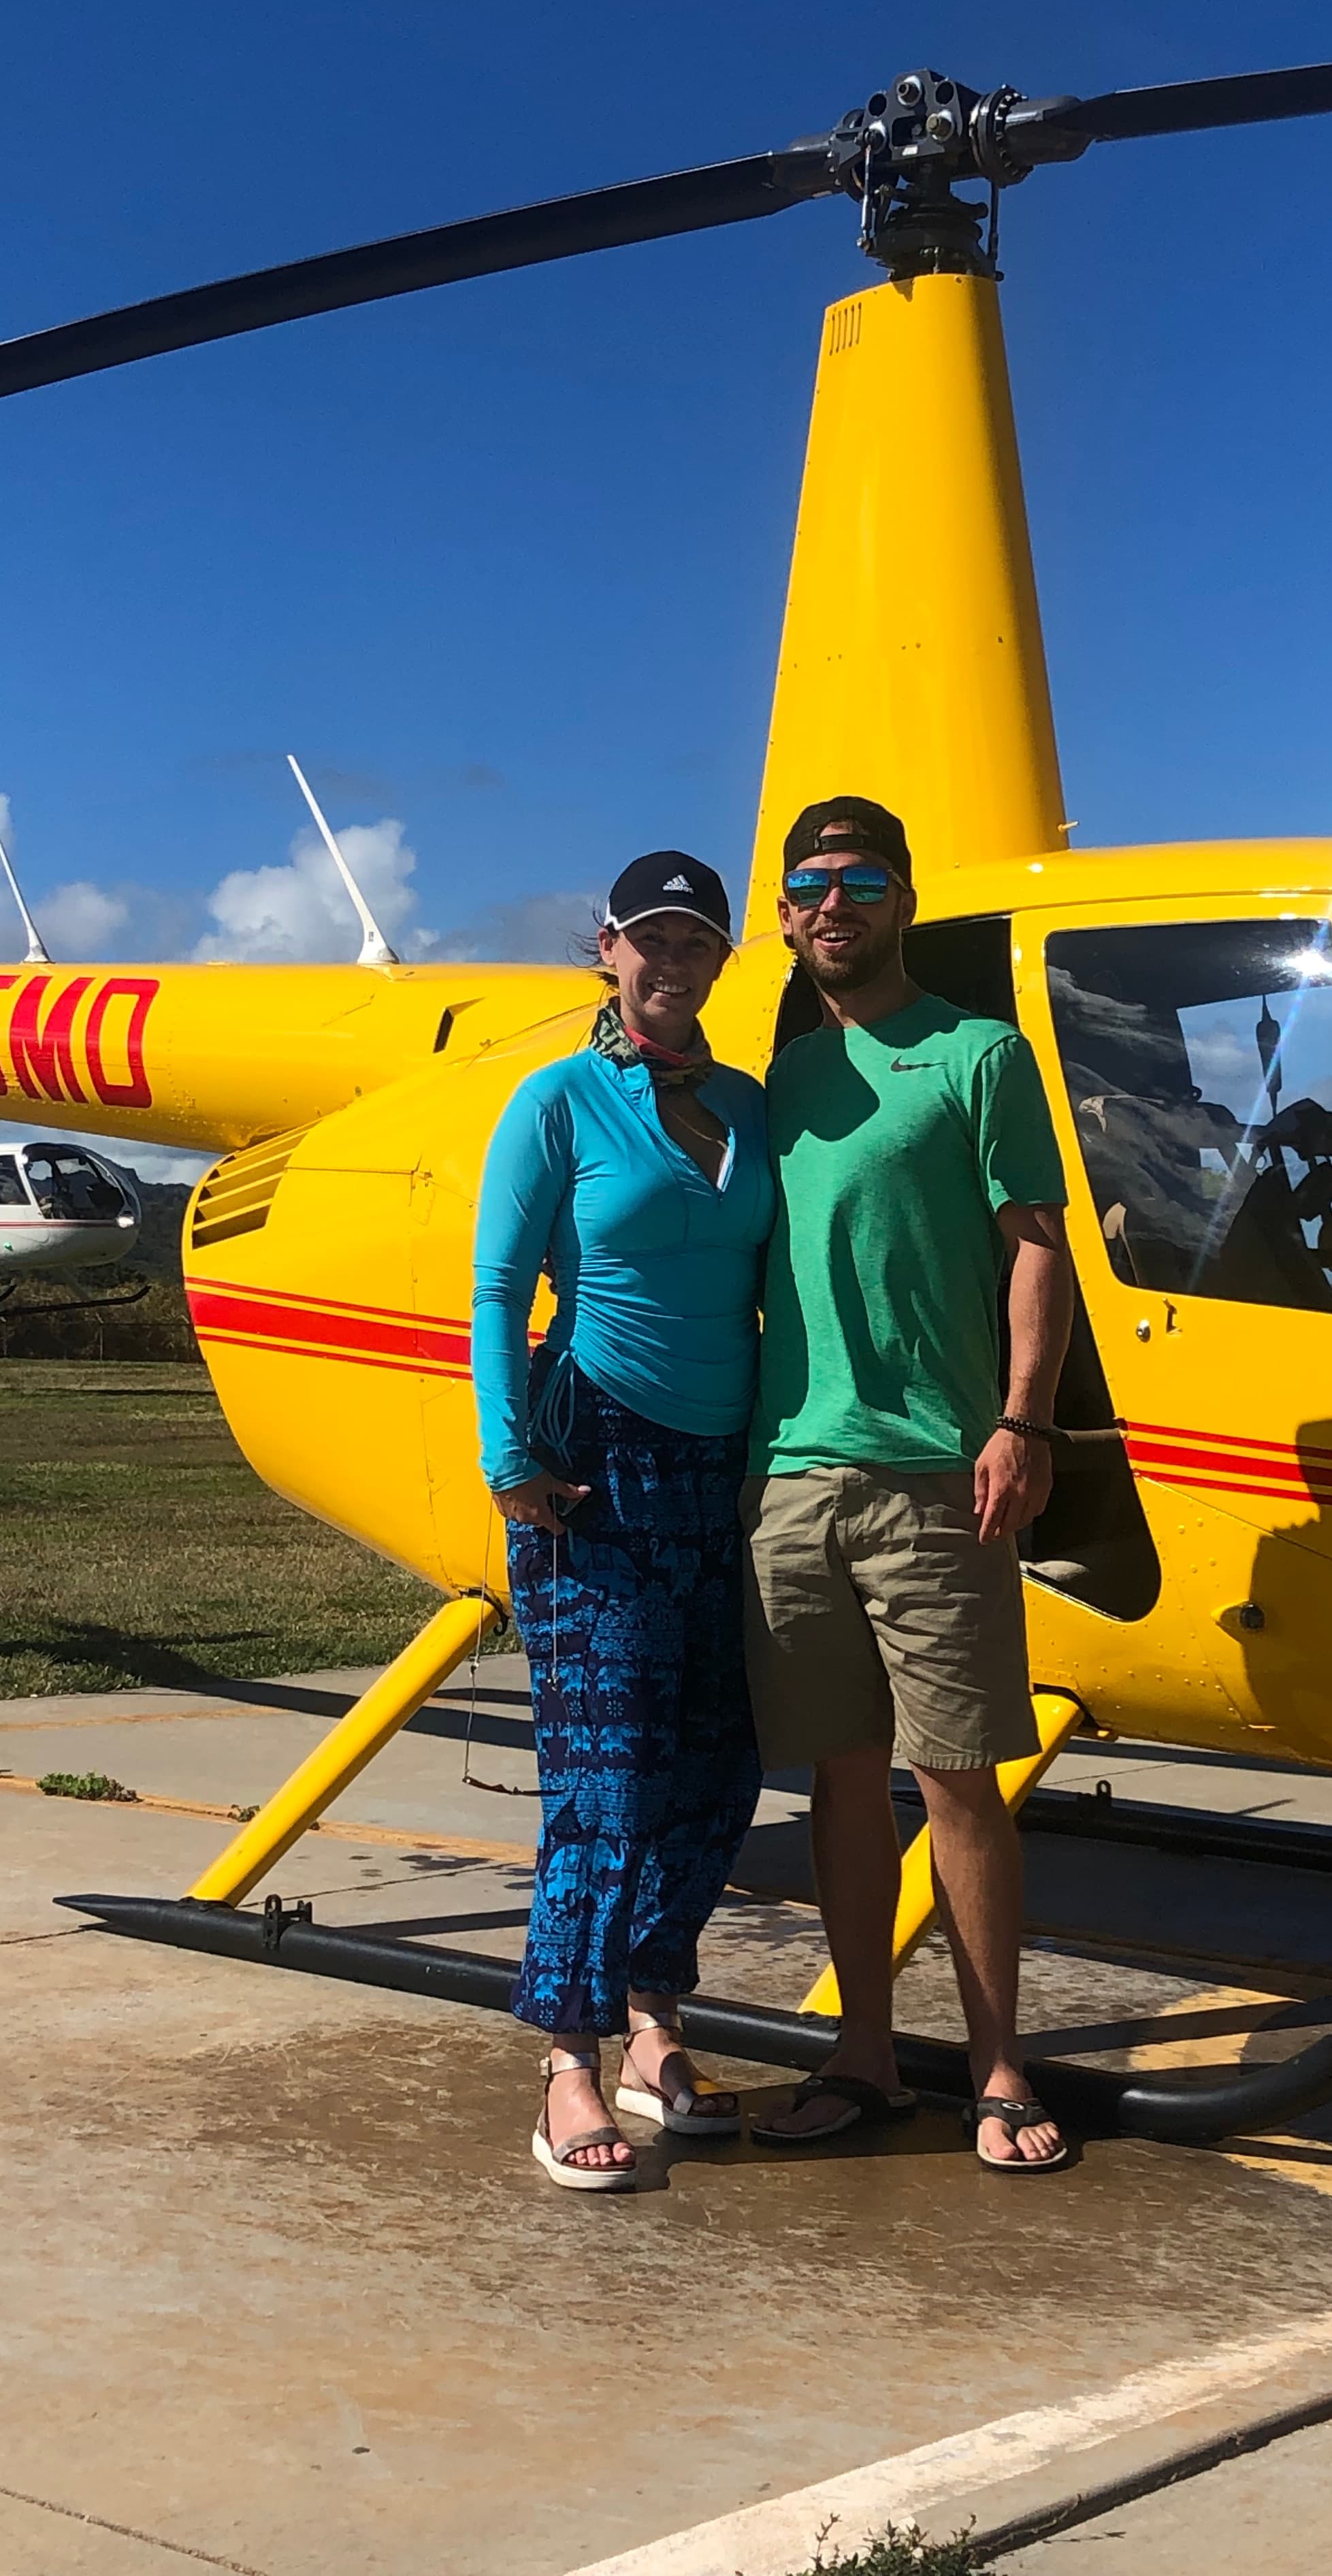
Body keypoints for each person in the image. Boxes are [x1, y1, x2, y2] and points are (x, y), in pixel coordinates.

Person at [743, 797, 1075, 2173]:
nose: (836, 904)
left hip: (934, 1473)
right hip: (786, 1479)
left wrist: (1021, 1421)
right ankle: (865, 2054)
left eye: (861, 881)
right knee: (837, 1784)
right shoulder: (770, 1092)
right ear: (784, 914)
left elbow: (1036, 1248)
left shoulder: (977, 1055)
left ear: (903, 901)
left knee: (959, 1784)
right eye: (812, 884)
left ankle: (999, 2066)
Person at [472, 851, 775, 2192]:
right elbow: (495, 1288)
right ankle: (566, 2058)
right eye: (650, 938)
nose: (671, 960)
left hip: (723, 1467)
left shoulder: (752, 1110)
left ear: (719, 961)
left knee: (716, 1767)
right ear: (608, 948)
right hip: (595, 1454)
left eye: (696, 942)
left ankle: (656, 2019)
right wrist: (508, 1456)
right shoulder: (559, 1103)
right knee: (606, 1781)